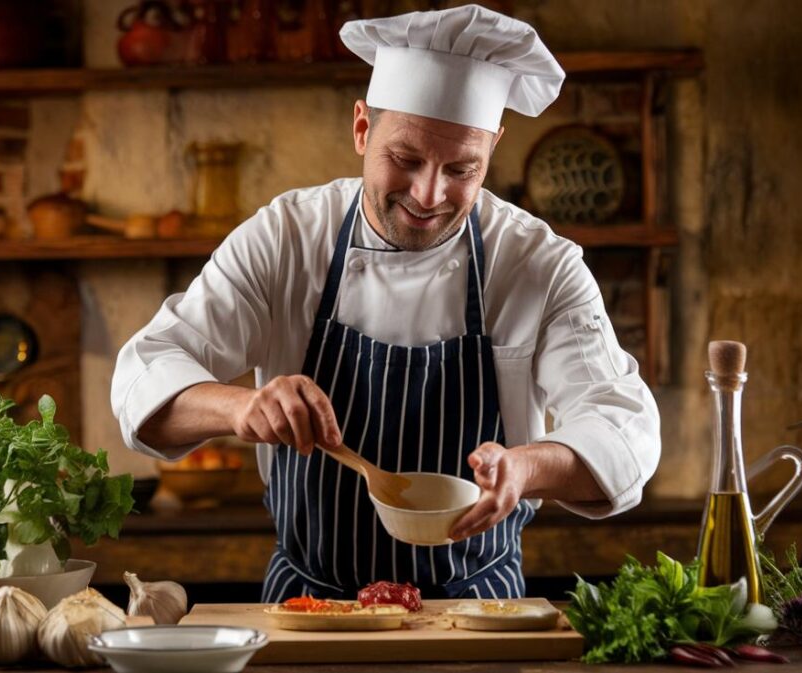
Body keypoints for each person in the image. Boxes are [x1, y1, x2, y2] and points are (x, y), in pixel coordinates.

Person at [111, 4, 660, 602]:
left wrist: (527, 468)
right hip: (309, 609)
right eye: (406, 160)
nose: (429, 194)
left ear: (494, 148)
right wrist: (240, 408)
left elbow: (623, 428)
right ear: (362, 130)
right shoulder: (288, 237)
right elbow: (144, 376)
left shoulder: (537, 264)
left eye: (461, 169)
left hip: (478, 613)